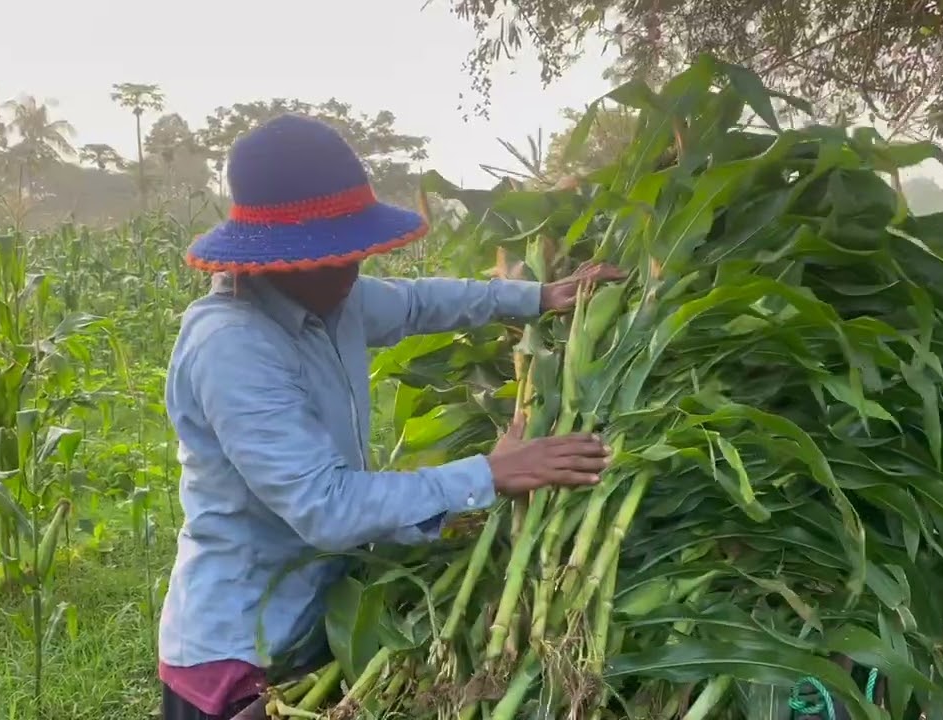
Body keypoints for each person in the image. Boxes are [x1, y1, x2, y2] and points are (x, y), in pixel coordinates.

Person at [157, 113, 625, 720]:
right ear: (276, 257)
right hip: (243, 649)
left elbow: (419, 302)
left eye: (355, 249)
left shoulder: (327, 294)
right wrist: (489, 473)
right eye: (334, 253)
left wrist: (537, 297)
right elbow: (326, 505)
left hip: (315, 619)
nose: (353, 266)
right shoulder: (233, 346)